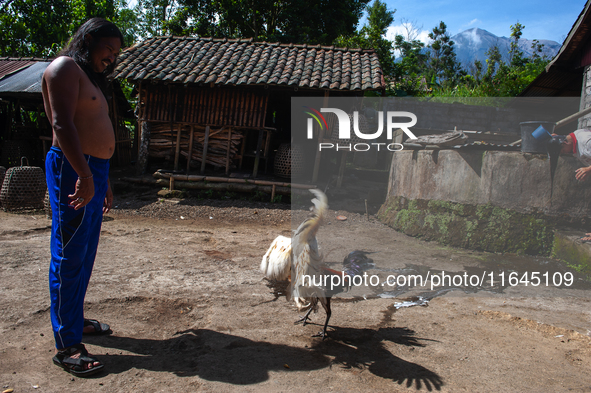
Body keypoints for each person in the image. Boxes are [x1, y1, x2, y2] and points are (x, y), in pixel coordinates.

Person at [42, 17, 123, 376]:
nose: (112, 58)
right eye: (109, 49)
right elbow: (62, 125)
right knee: (69, 252)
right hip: (74, 168)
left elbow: (93, 127)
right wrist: (86, 174)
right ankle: (67, 345)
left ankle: (74, 321)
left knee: (85, 253)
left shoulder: (90, 78)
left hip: (93, 169)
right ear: (90, 39)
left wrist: (101, 177)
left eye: (116, 53)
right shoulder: (64, 69)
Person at [556, 129, 591, 242]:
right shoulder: (574, 137)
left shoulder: (586, 141)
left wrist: (588, 169)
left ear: (564, 143)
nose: (565, 153)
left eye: (562, 151)